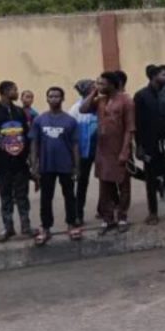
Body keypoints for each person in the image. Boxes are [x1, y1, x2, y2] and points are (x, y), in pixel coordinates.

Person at [80, 71, 135, 235]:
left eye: (102, 84)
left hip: (120, 148)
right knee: (105, 186)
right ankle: (108, 219)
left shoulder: (126, 101)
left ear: (113, 84)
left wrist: (125, 151)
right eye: (98, 83)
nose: (99, 86)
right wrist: (94, 92)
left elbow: (130, 129)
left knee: (123, 185)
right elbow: (83, 109)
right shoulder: (100, 100)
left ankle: (123, 217)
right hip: (103, 150)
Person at [0, 80, 33, 241]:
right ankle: (8, 227)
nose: (17, 93)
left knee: (22, 196)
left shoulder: (19, 112)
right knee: (5, 197)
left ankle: (26, 226)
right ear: (5, 92)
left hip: (20, 163)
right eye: (14, 90)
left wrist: (30, 158)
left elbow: (26, 136)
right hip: (1, 163)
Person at [134, 64, 165, 224]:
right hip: (150, 144)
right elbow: (138, 123)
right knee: (150, 179)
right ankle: (153, 213)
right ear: (153, 76)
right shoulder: (141, 96)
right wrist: (139, 146)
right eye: (164, 74)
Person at [30, 87, 80, 244]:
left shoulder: (70, 121)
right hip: (46, 166)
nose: (53, 99)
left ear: (62, 99)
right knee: (46, 198)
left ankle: (71, 225)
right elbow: (34, 144)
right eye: (50, 96)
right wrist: (34, 164)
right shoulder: (39, 120)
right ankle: (46, 228)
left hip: (65, 165)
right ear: (46, 99)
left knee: (69, 196)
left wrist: (77, 167)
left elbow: (75, 146)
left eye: (57, 96)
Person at [68, 79, 98, 225]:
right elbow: (70, 132)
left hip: (101, 150)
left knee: (106, 181)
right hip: (84, 152)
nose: (96, 87)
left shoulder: (101, 103)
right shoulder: (76, 109)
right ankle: (78, 214)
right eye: (92, 86)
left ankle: (103, 209)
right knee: (82, 183)